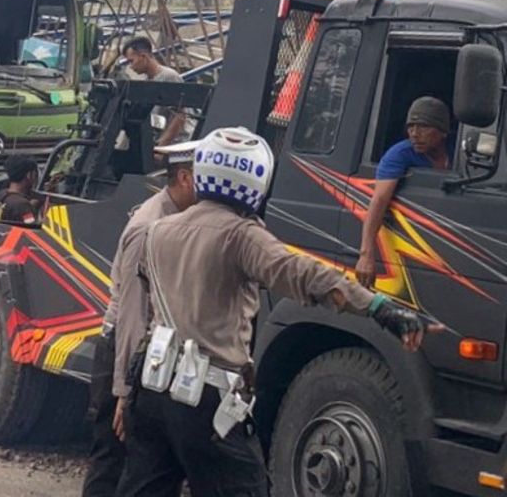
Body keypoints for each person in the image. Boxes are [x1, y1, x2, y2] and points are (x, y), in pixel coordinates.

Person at [114, 127, 443, 497]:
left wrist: (125, 393)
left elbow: (136, 313)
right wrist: (380, 307)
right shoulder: (241, 235)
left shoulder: (157, 231)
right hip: (205, 397)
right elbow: (306, 275)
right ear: (256, 180)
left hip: (152, 390)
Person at [82, 140, 198, 497]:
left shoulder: (180, 219)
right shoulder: (148, 226)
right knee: (112, 455)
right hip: (125, 350)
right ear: (184, 178)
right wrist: (125, 392)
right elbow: (132, 316)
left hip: (152, 352)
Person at [357, 96, 452, 288]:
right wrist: (366, 254)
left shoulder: (461, 147)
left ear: (443, 131)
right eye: (411, 127)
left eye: (423, 127)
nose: (414, 134)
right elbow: (379, 200)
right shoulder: (400, 154)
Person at [122, 37, 186, 147]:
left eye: (131, 61)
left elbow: (180, 116)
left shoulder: (169, 77)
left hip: (174, 148)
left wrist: (162, 144)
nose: (131, 67)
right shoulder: (147, 82)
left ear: (143, 56)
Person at [0, 155, 40, 223]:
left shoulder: (2, 194)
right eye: (35, 173)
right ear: (29, 175)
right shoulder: (22, 205)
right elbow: (31, 225)